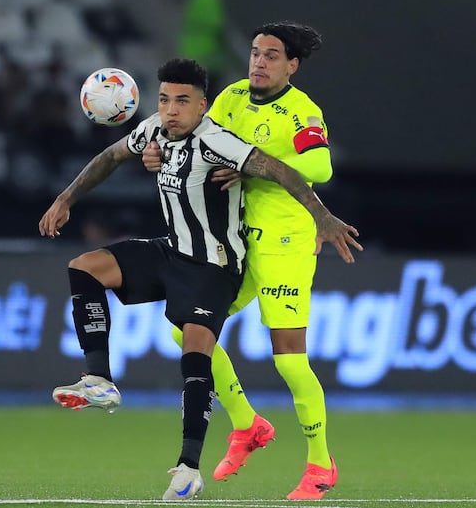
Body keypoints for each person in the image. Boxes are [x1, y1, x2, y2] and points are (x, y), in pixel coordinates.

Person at [39, 58, 360, 500]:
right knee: (85, 267)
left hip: (213, 267)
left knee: (194, 352)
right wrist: (66, 198)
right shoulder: (154, 131)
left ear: (202, 105)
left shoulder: (217, 142)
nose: (171, 110)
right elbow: (110, 157)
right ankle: (99, 380)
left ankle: (189, 468)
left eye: (183, 101)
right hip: (171, 252)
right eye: (166, 99)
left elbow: (282, 170)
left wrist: (322, 216)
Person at [142, 22, 357, 500]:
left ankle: (321, 464)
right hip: (235, 239)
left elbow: (320, 167)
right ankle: (247, 424)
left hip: (284, 243)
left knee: (290, 361)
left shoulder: (302, 112)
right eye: (256, 53)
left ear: (292, 65)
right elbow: (199, 137)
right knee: (186, 329)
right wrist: (158, 151)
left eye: (272, 55)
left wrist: (250, 162)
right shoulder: (233, 97)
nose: (259, 62)